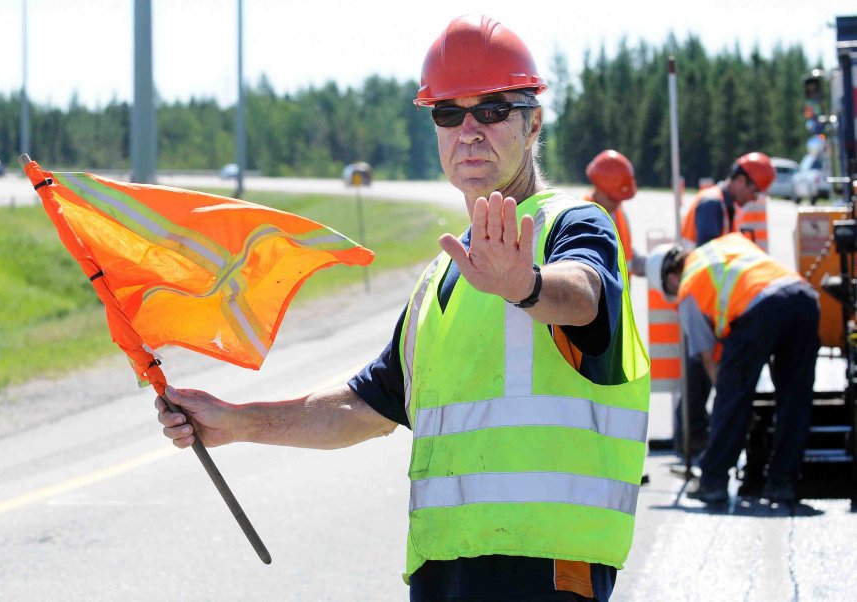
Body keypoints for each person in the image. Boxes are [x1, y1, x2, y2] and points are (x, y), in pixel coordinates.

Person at [157, 15, 649, 601]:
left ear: (532, 120)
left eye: (491, 110)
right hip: (444, 573)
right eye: (448, 113)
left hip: (545, 571)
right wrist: (235, 422)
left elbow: (584, 296)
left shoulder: (573, 225)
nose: (469, 131)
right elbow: (362, 406)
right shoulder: (441, 277)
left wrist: (528, 285)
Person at [647, 233, 819, 504]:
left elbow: (708, 361)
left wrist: (731, 400)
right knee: (795, 398)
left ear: (670, 278)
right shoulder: (722, 246)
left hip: (760, 310)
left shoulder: (689, 287)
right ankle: (781, 483)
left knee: (731, 394)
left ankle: (713, 481)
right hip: (803, 298)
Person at [675, 152, 776, 457]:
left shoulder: (724, 205)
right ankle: (690, 441)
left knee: (701, 374)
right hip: (699, 298)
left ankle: (693, 439)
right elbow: (711, 257)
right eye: (754, 190)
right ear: (740, 179)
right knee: (698, 374)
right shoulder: (712, 204)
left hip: (706, 298)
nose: (754, 197)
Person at [585, 150, 645, 276]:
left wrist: (652, 264)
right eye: (614, 198)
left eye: (621, 198)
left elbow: (626, 253)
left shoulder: (620, 214)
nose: (618, 203)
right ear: (599, 188)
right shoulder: (583, 219)